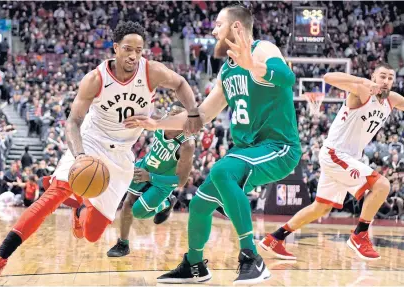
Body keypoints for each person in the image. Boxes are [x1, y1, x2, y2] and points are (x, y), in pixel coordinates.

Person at [0, 21, 202, 286]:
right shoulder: (96, 78)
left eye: (139, 50)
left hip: (121, 156)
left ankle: (80, 209)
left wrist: (193, 112)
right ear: (115, 48)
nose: (133, 55)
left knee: (92, 235)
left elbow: (182, 83)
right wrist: (79, 154)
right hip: (91, 143)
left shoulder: (152, 72)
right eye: (127, 48)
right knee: (52, 197)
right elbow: (73, 121)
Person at [125, 5, 300, 285]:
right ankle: (194, 264)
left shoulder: (263, 50)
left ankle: (251, 257)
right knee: (200, 205)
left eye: (219, 24)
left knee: (221, 170)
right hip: (246, 151)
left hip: (278, 147)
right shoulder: (226, 72)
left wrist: (253, 67)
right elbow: (202, 115)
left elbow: (287, 78)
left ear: (236, 28)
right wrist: (156, 124)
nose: (213, 29)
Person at [261, 63, 404, 261]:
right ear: (373, 76)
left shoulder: (392, 99)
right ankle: (359, 235)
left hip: (345, 157)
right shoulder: (362, 90)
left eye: (390, 77)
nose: (386, 81)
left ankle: (275, 238)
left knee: (321, 208)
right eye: (382, 76)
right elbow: (328, 77)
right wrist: (362, 81)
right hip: (337, 153)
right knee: (382, 185)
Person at [107, 102, 195, 257]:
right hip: (146, 167)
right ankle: (123, 244)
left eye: (174, 118)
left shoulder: (186, 144)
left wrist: (150, 177)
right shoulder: (159, 119)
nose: (169, 119)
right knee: (128, 203)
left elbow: (181, 181)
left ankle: (167, 202)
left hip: (162, 181)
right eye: (169, 115)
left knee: (138, 212)